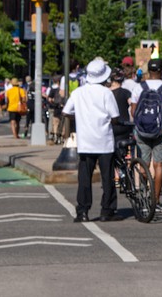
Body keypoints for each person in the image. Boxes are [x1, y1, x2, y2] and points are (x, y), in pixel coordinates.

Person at [62, 59, 122, 222]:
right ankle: (107, 210)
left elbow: (66, 112)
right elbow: (115, 117)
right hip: (104, 141)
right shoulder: (106, 93)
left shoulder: (78, 92)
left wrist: (80, 117)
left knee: (85, 177)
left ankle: (82, 210)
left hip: (85, 141)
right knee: (107, 177)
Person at [130, 58, 162, 213]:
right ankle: (156, 200)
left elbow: (133, 111)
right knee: (159, 165)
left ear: (148, 71)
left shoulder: (139, 87)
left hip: (142, 131)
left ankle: (146, 193)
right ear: (161, 70)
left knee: (143, 164)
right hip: (160, 130)